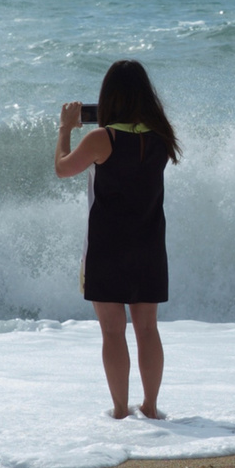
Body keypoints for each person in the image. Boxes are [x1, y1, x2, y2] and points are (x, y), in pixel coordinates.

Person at [55, 59, 182, 419]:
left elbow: (62, 168)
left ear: (109, 98)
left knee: (113, 332)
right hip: (150, 244)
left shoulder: (101, 138)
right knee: (147, 329)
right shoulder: (161, 137)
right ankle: (152, 407)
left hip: (108, 247)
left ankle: (120, 411)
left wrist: (65, 129)